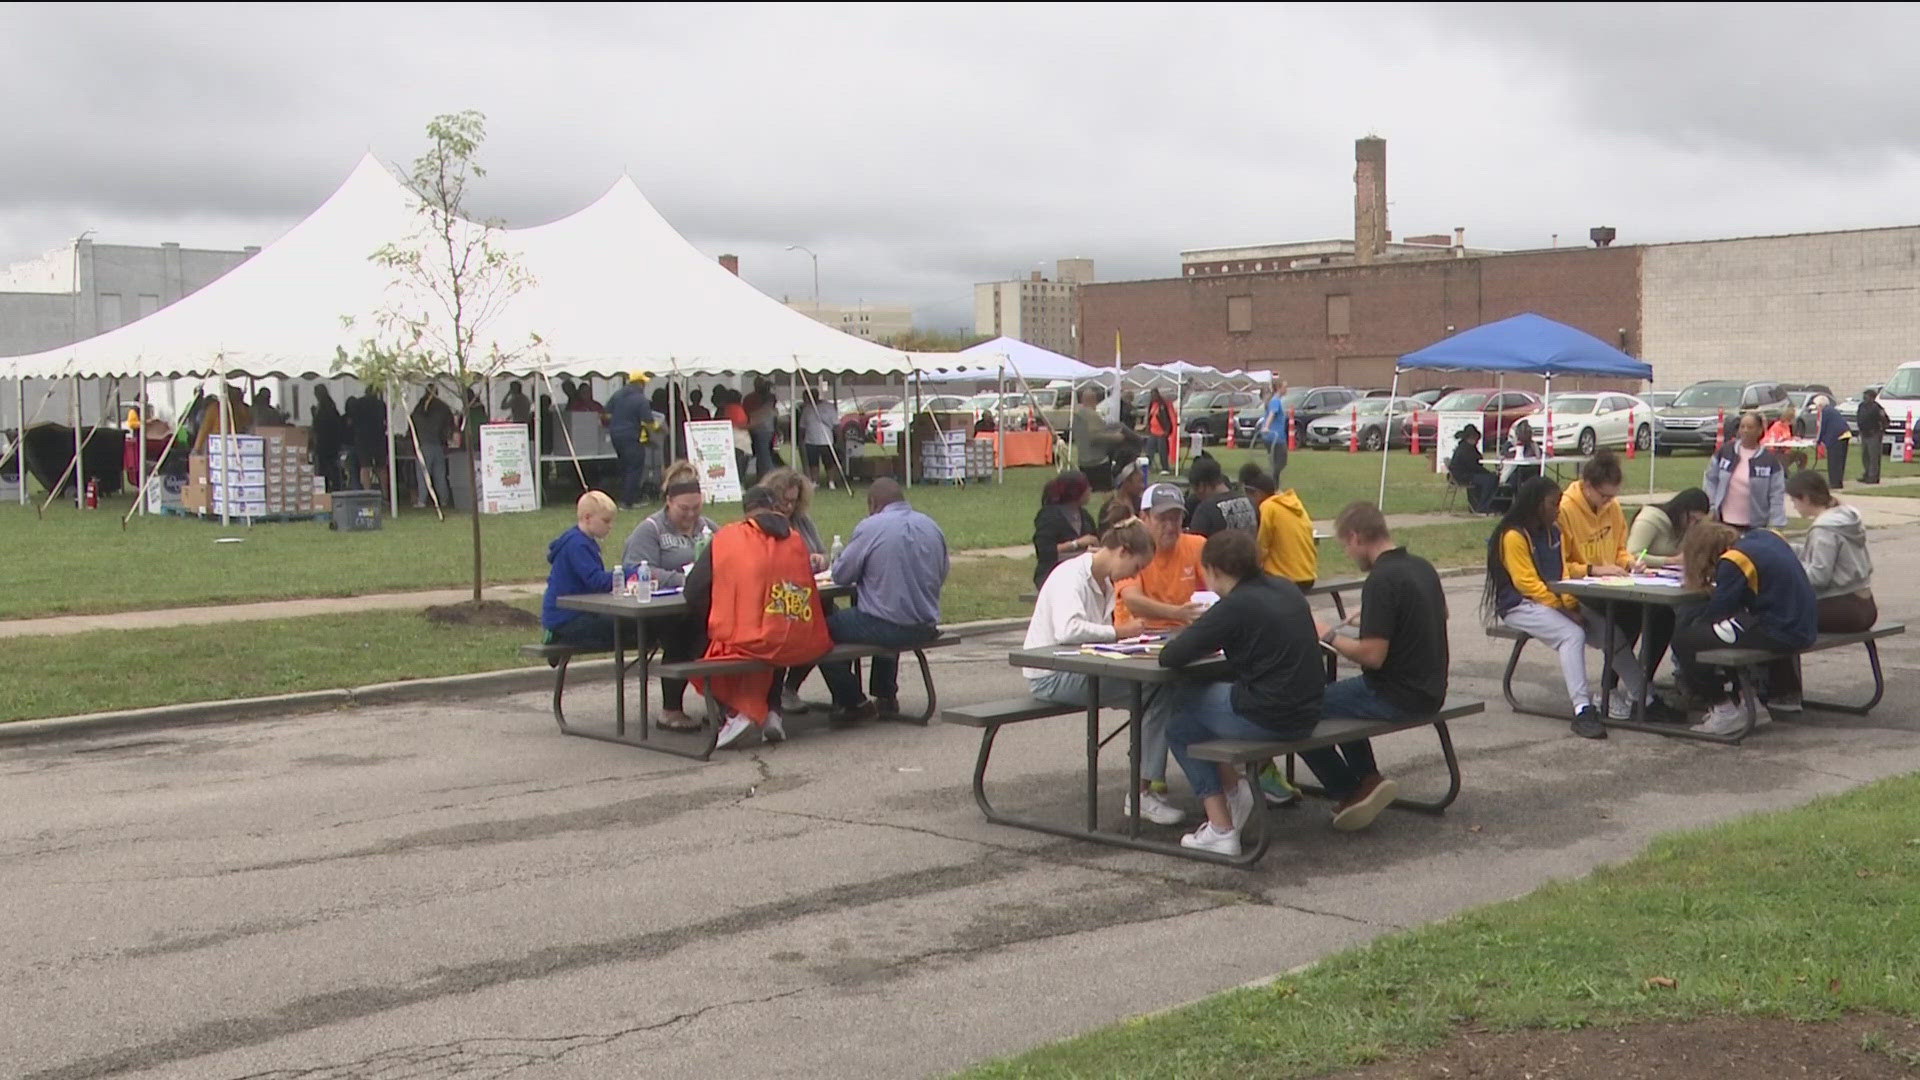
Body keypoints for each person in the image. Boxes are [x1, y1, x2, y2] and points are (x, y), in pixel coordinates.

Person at [1159, 530, 1378, 857]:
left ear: (1215, 571)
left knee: (1180, 720)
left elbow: (1172, 657)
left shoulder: (1233, 606)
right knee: (1196, 710)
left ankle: (1220, 827)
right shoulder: (1285, 589)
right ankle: (1234, 793)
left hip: (1269, 716)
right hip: (1307, 710)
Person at [1022, 519, 1186, 826]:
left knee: (1158, 687)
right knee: (1156, 689)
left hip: (1078, 665)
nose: (1134, 576)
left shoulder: (1104, 582)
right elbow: (1069, 630)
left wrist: (1124, 639)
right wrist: (1118, 632)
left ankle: (1145, 784)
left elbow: (1091, 640)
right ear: (1123, 551)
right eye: (1136, 567)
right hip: (1050, 673)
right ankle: (1142, 792)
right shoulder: (1070, 576)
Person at [1484, 477, 1659, 740]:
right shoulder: (1513, 535)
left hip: (1555, 601)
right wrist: (1564, 610)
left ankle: (1645, 698)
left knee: (1610, 633)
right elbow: (1527, 584)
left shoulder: (1555, 532)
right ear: (1535, 505)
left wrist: (1570, 604)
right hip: (1520, 605)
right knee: (1571, 634)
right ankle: (1582, 710)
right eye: (1553, 504)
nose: (1558, 509)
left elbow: (1562, 573)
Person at [685, 485, 832, 749]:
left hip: (754, 639)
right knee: (776, 637)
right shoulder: (796, 539)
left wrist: (718, 610)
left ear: (747, 512)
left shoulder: (728, 537)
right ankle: (772, 712)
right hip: (800, 638)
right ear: (775, 508)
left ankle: (736, 712)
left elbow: (694, 590)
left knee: (704, 639)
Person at [816, 479, 949, 721]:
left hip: (888, 625)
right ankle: (885, 693)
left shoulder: (871, 527)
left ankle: (853, 701)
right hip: (925, 624)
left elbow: (842, 574)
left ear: (872, 503)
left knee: (817, 631)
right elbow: (941, 573)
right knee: (883, 608)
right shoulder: (931, 526)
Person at [1669, 521, 1818, 735]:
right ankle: (1750, 702)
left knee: (1685, 642)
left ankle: (1723, 708)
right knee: (1724, 635)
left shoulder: (1733, 561)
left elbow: (1720, 611)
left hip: (1779, 630)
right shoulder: (1768, 537)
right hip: (1802, 622)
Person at [616, 461, 720, 731]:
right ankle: (671, 709)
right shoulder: (650, 530)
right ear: (668, 502)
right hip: (661, 609)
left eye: (696, 508)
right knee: (684, 631)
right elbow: (637, 569)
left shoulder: (708, 527)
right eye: (684, 509)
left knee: (720, 629)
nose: (691, 515)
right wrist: (683, 580)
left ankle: (724, 701)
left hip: (703, 604)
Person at [760, 467, 831, 714]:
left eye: (793, 501)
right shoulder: (762, 524)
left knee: (828, 621)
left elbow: (823, 552)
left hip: (810, 592)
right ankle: (774, 695)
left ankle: (791, 688)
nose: (788, 507)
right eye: (783, 501)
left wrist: (820, 560)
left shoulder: (802, 521)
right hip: (778, 600)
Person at [1625, 487, 1712, 682]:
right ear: (1682, 510)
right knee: (1637, 623)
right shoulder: (1651, 519)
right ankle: (1623, 683)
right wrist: (1670, 561)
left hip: (1667, 587)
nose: (1693, 524)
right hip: (1639, 586)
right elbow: (1632, 554)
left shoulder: (1686, 529)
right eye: (1692, 519)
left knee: (1669, 621)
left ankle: (1644, 678)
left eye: (1698, 521)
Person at [1785, 470, 1877, 636]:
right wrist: (1785, 548)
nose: (1793, 505)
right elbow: (1816, 555)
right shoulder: (1843, 518)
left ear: (1805, 498)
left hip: (1843, 608)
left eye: (1794, 500)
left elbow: (1819, 578)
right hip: (1865, 605)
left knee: (1777, 616)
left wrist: (1788, 572)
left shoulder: (1824, 529)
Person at [540, 491, 630, 651]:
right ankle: (558, 639)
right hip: (565, 617)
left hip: (574, 613)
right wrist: (628, 574)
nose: (610, 526)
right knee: (624, 627)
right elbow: (596, 581)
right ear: (587, 518)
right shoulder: (577, 545)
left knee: (623, 626)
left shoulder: (582, 542)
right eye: (606, 521)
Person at [1704, 410, 1787, 530]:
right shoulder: (1726, 451)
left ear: (1759, 431)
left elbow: (1776, 493)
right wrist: (1712, 506)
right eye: (1742, 427)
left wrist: (1777, 523)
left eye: (1750, 427)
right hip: (1723, 522)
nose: (1745, 430)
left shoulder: (1769, 460)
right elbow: (1710, 479)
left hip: (1755, 525)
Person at [1033, 470, 1099, 588]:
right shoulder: (1049, 516)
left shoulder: (1085, 516)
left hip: (1082, 572)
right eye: (1086, 487)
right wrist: (1076, 544)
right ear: (1075, 491)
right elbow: (1044, 551)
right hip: (1053, 573)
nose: (1090, 490)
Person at [606, 371, 657, 510]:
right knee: (634, 468)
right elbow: (648, 421)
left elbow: (606, 414)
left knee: (624, 467)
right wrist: (656, 429)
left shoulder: (617, 395)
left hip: (616, 436)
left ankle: (623, 497)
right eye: (644, 383)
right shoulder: (641, 399)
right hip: (632, 436)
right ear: (639, 383)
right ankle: (629, 501)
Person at [1255, 477, 1316, 588]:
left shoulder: (1268, 507)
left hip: (1284, 579)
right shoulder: (1296, 504)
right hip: (1308, 576)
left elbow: (1261, 548)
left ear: (1258, 494)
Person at [1071, 386, 1136, 488]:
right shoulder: (1091, 415)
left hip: (1083, 460)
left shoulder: (1077, 415)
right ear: (1094, 400)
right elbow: (1094, 436)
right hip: (1097, 461)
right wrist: (1115, 437)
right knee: (1104, 491)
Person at [409, 385, 456, 509]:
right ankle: (444, 500)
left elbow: (411, 425)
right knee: (440, 475)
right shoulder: (443, 407)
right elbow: (451, 425)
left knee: (423, 474)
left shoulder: (419, 407)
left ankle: (422, 501)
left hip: (423, 445)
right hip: (438, 445)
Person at [1185, 455, 1256, 536]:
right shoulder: (1248, 501)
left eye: (1194, 489)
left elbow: (1196, 543)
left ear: (1201, 486)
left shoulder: (1206, 510)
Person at [1447, 423, 1498, 514]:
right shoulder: (1464, 450)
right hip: (1462, 476)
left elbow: (1477, 460)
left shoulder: (1469, 448)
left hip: (1467, 473)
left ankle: (1478, 504)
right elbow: (1473, 466)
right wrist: (1488, 473)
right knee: (1490, 479)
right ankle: (1482, 506)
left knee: (1490, 478)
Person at [798, 389, 840, 489]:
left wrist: (838, 439)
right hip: (811, 440)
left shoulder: (829, 407)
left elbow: (836, 425)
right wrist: (801, 439)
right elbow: (802, 426)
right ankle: (815, 482)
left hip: (827, 440)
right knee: (813, 463)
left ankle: (831, 482)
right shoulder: (806, 409)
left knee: (829, 463)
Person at [346, 387, 386, 490]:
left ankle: (367, 491)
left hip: (362, 439)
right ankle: (385, 493)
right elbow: (385, 421)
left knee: (365, 467)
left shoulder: (358, 404)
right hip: (378, 438)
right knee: (381, 468)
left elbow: (351, 421)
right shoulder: (381, 405)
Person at [310, 384, 348, 492]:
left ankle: (325, 489)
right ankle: (335, 487)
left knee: (324, 469)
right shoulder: (331, 406)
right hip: (333, 443)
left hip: (324, 443)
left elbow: (318, 426)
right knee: (333, 468)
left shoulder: (322, 408)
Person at [191, 387, 253, 452]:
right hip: (226, 446)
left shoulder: (215, 408)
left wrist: (196, 449)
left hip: (222, 447)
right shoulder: (217, 408)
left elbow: (204, 430)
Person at [1813, 395, 1852, 490]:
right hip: (1844, 434)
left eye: (1816, 405)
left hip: (1836, 437)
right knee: (1840, 460)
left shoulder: (1825, 412)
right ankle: (1838, 481)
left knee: (1834, 460)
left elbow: (1822, 427)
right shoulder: (1832, 410)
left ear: (1820, 405)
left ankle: (1834, 483)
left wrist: (1818, 440)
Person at [1097, 458, 1147, 530]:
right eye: (1139, 482)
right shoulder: (1108, 510)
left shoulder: (1142, 505)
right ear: (1126, 483)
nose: (1142, 486)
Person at [744, 377, 779, 480]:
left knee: (764, 454)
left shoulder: (765, 399)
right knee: (762, 453)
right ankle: (762, 476)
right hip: (764, 428)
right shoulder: (767, 398)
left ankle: (770, 476)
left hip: (761, 428)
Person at [1258, 382, 1291, 479]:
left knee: (1275, 462)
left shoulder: (1274, 400)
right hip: (1275, 437)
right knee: (1281, 462)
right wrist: (1266, 427)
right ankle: (1272, 483)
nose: (1286, 389)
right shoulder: (1275, 401)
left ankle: (1273, 483)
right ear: (1279, 388)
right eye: (1285, 387)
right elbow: (1272, 414)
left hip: (1272, 436)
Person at [1856, 388, 1889, 485]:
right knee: (1865, 456)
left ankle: (1873, 476)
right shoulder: (1861, 406)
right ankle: (1867, 474)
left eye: (1867, 396)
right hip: (1864, 434)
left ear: (1872, 397)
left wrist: (1880, 431)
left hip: (1874, 434)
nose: (1864, 398)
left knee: (1873, 457)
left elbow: (1885, 421)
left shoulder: (1877, 407)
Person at [1498, 419, 1541, 487]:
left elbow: (1539, 456)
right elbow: (1505, 455)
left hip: (1529, 471)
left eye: (1528, 432)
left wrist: (1535, 446)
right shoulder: (1510, 444)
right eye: (1524, 432)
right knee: (1515, 478)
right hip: (1513, 472)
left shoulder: (1531, 445)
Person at [1144, 389, 1177, 474]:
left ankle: (1165, 468)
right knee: (1149, 450)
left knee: (1163, 450)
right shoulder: (1152, 405)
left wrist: (1167, 430)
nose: (1153, 397)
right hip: (1153, 431)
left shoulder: (1163, 405)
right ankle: (1148, 467)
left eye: (1154, 395)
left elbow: (1168, 417)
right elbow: (1150, 416)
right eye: (1152, 395)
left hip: (1162, 432)